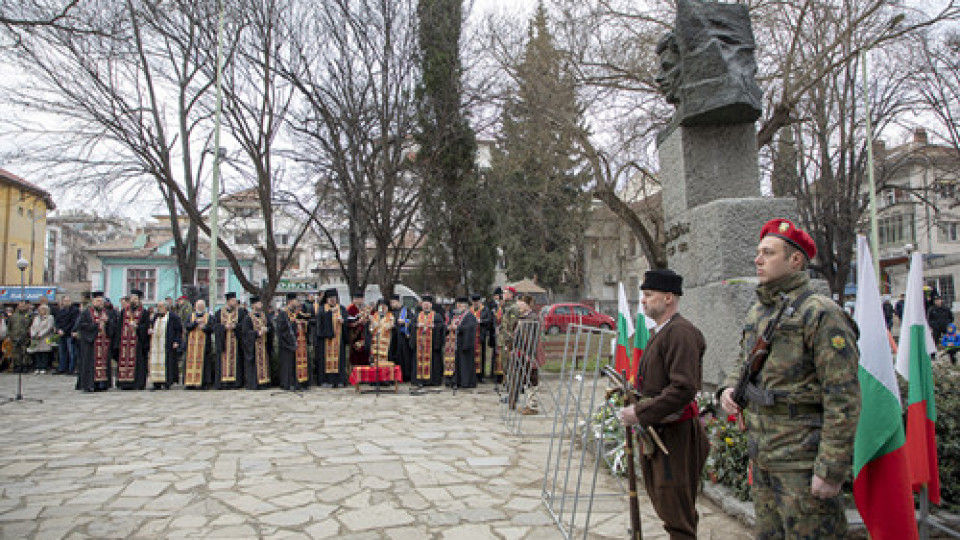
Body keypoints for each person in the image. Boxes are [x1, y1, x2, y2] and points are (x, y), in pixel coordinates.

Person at [720, 218, 860, 539]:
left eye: (768, 253)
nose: (758, 260)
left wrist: (831, 469)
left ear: (795, 260)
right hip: (765, 456)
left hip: (802, 461)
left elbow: (844, 396)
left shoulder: (821, 313)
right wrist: (730, 387)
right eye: (758, 252)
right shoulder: (760, 312)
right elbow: (743, 359)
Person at [617, 269, 708, 539]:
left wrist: (640, 411)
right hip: (662, 433)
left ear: (668, 298)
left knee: (677, 511)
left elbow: (683, 389)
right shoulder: (664, 331)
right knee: (668, 506)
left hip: (676, 436)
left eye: (648, 295)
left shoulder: (681, 333)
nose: (642, 301)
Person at [76, 292, 114, 392]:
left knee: (104, 364)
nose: (100, 303)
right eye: (98, 301)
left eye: (101, 301)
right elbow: (81, 326)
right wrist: (96, 325)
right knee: (90, 364)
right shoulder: (86, 312)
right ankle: (89, 384)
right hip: (91, 343)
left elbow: (112, 328)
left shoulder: (106, 312)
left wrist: (108, 322)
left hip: (103, 343)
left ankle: (102, 384)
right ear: (93, 302)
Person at [116, 290, 150, 390]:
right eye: (132, 298)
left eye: (135, 299)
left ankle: (137, 383)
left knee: (138, 363)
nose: (133, 301)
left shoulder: (144, 312)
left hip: (138, 342)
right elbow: (119, 326)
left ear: (139, 300)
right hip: (124, 343)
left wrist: (138, 327)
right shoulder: (124, 311)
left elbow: (146, 326)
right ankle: (124, 383)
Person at [213, 292, 248, 389]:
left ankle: (236, 383)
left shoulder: (241, 313)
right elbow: (215, 326)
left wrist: (235, 326)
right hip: (224, 342)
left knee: (237, 362)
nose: (235, 302)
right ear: (228, 301)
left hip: (236, 342)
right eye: (233, 301)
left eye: (235, 300)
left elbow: (245, 326)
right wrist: (224, 327)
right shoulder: (219, 313)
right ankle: (223, 383)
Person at [317, 289, 349, 387]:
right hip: (326, 340)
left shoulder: (342, 309)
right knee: (325, 361)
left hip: (339, 341)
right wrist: (330, 314)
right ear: (326, 299)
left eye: (334, 298)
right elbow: (320, 322)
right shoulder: (322, 308)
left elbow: (347, 321)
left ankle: (339, 380)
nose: (332, 300)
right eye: (330, 299)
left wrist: (343, 321)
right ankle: (326, 381)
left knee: (340, 361)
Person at [147, 302, 182, 390]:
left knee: (168, 363)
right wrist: (150, 331)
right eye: (158, 307)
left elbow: (178, 330)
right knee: (155, 362)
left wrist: (176, 341)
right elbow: (152, 326)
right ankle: (156, 382)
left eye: (161, 307)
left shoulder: (173, 317)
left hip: (167, 344)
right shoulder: (156, 317)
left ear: (166, 308)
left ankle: (167, 382)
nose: (159, 308)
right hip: (156, 345)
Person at [444, 297, 478, 389]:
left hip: (465, 343)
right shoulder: (457, 316)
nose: (458, 308)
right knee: (458, 363)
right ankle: (457, 381)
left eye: (460, 306)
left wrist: (458, 328)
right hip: (457, 343)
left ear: (465, 307)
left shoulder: (470, 316)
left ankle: (466, 382)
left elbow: (469, 328)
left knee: (465, 364)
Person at [241, 296, 273, 389]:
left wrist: (267, 329)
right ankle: (255, 383)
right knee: (254, 365)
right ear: (253, 305)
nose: (261, 305)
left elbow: (271, 327)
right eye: (258, 303)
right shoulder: (248, 318)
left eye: (261, 303)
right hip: (254, 346)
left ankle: (265, 382)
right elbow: (246, 333)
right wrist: (257, 333)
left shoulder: (264, 316)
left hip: (264, 345)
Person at [412, 295, 445, 387]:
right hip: (420, 345)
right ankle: (419, 380)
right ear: (422, 305)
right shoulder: (417, 316)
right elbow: (412, 325)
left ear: (431, 305)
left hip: (432, 345)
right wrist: (417, 325)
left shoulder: (437, 316)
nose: (426, 306)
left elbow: (442, 327)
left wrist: (434, 327)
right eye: (424, 304)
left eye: (427, 304)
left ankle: (433, 381)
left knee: (434, 362)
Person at [183, 299, 215, 389]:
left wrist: (204, 327)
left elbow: (212, 328)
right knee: (190, 363)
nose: (200, 307)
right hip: (191, 345)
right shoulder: (191, 316)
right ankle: (190, 382)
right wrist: (195, 323)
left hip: (204, 345)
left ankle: (203, 383)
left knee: (205, 364)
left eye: (202, 306)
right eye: (198, 306)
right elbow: (186, 326)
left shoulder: (209, 316)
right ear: (195, 307)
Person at [275, 293, 303, 391]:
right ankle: (286, 383)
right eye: (296, 301)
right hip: (286, 343)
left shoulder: (294, 312)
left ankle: (294, 383)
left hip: (294, 342)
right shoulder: (283, 313)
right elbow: (281, 328)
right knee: (287, 364)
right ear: (290, 302)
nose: (297, 302)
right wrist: (293, 325)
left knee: (293, 364)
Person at [389, 295, 414, 381]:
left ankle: (406, 375)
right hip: (395, 338)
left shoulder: (406, 311)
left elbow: (412, 321)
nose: (392, 304)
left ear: (398, 302)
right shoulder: (392, 312)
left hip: (404, 337)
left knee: (405, 357)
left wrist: (405, 321)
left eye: (393, 302)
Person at [469, 294, 492, 384]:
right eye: (474, 302)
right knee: (472, 356)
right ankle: (472, 374)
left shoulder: (485, 310)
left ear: (480, 302)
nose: (475, 304)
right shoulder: (469, 310)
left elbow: (489, 320)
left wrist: (480, 321)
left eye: (477, 302)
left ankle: (481, 375)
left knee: (482, 356)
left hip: (481, 335)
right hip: (471, 336)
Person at [54, 295, 79, 375]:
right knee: (62, 352)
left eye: (68, 301)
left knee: (71, 352)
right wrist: (58, 329)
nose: (66, 302)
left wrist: (64, 330)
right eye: (65, 301)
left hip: (69, 334)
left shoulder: (75, 311)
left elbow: (73, 322)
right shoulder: (60, 311)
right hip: (61, 334)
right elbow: (57, 322)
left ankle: (71, 369)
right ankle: (62, 368)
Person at [29, 304, 56, 374]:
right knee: (37, 352)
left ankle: (44, 367)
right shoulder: (36, 318)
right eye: (40, 309)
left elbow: (49, 327)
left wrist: (41, 334)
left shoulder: (50, 317)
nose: (41, 311)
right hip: (36, 338)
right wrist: (33, 333)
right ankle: (37, 366)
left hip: (45, 337)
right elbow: (32, 326)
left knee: (44, 352)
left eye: (43, 309)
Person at [8, 302, 32, 374]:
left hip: (25, 337)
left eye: (23, 306)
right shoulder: (14, 316)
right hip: (14, 337)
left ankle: (25, 366)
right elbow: (9, 326)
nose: (22, 307)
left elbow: (32, 325)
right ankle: (17, 366)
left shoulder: (29, 315)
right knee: (16, 353)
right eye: (20, 306)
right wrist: (9, 335)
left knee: (25, 352)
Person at [347, 292, 370, 367]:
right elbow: (348, 323)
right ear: (354, 300)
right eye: (358, 299)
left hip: (365, 334)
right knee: (355, 354)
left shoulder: (367, 308)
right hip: (355, 335)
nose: (360, 300)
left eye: (361, 299)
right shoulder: (350, 309)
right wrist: (358, 322)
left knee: (365, 353)